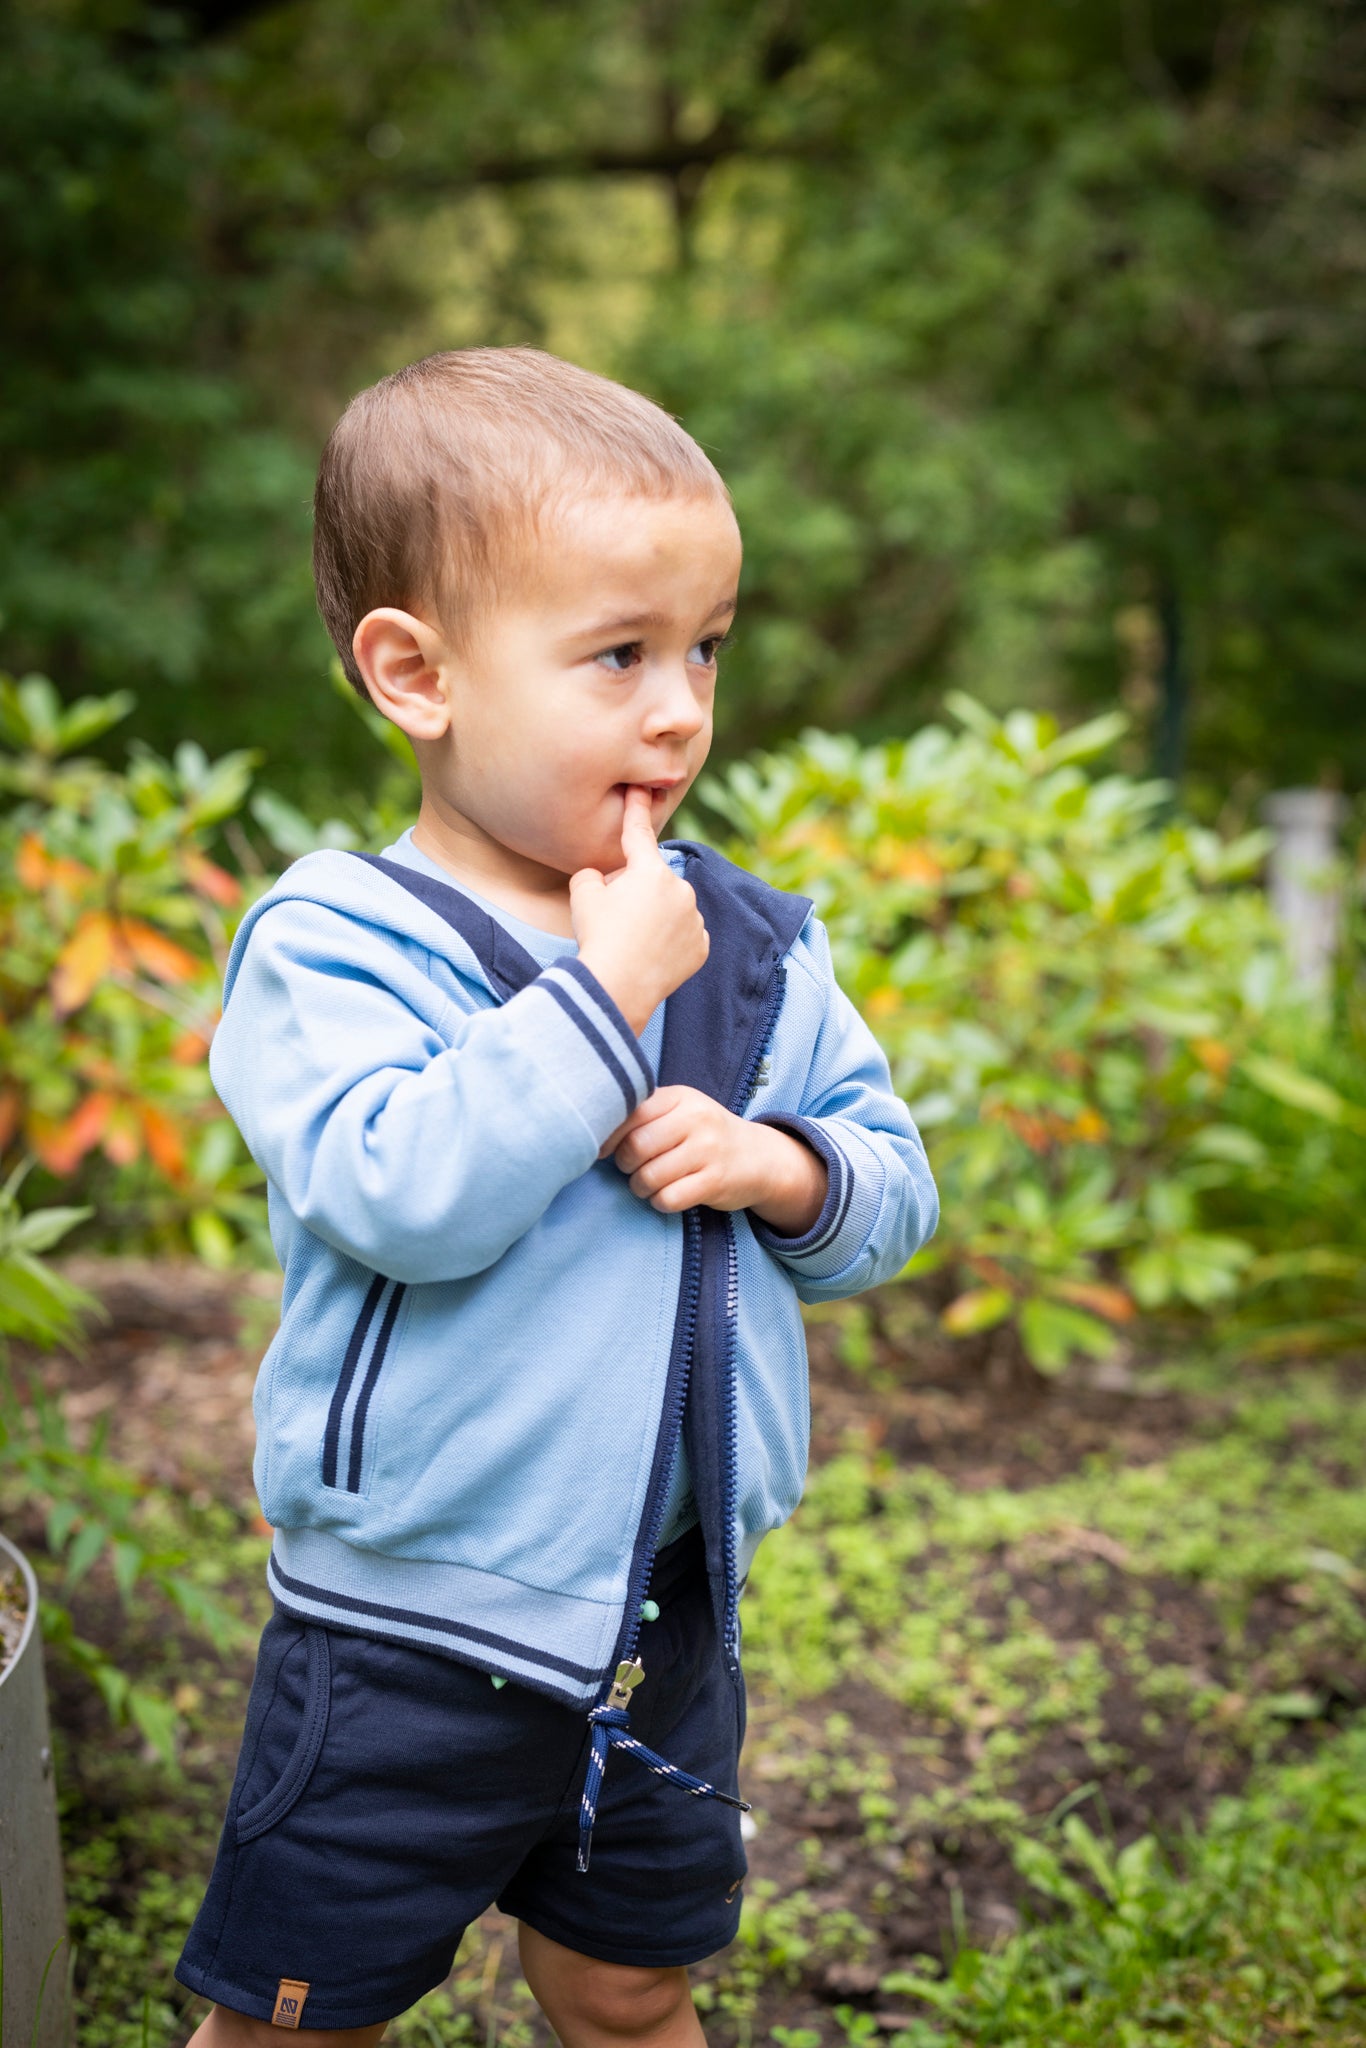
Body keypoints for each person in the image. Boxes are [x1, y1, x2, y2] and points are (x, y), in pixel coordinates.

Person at [176, 347, 938, 2046]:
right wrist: (595, 1008)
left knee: (628, 1985)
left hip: (665, 1614)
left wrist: (780, 1166)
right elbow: (401, 1192)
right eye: (617, 656)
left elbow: (891, 1185)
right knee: (300, 2013)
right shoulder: (338, 945)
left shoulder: (744, 950)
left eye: (703, 652)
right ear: (414, 674)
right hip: (406, 1625)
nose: (678, 707)